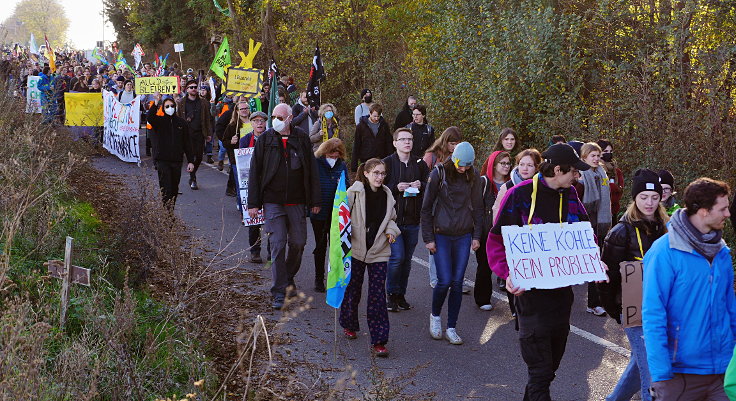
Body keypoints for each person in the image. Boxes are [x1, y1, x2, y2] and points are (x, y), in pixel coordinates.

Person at [487, 143, 593, 401]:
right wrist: (507, 274)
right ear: (558, 170)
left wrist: (592, 258)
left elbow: (586, 235)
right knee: (540, 368)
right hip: (530, 295)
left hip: (561, 294)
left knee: (549, 368)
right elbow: (496, 241)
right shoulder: (520, 195)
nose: (577, 176)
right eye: (573, 172)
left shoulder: (571, 195)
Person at [643, 178, 736, 401]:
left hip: (724, 372)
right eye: (722, 209)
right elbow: (653, 314)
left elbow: (730, 309)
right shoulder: (664, 252)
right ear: (703, 211)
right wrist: (661, 373)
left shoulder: (722, 252)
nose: (728, 214)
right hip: (679, 375)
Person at [598, 169, 667, 401]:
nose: (649, 202)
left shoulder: (667, 228)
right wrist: (616, 313)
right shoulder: (620, 232)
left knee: (641, 364)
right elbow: (606, 279)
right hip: (635, 314)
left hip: (663, 310)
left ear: (661, 198)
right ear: (635, 198)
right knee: (653, 374)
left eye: (654, 197)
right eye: (644, 197)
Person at [247, 103, 321, 310]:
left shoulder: (301, 138)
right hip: (273, 202)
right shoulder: (265, 140)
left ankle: (287, 276)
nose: (275, 120)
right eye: (273, 117)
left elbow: (312, 171)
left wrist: (315, 200)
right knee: (278, 244)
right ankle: (279, 291)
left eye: (280, 117)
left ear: (290, 118)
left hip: (296, 202)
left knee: (298, 243)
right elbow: (255, 172)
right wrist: (253, 203)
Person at [422, 142, 483, 345]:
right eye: (460, 165)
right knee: (445, 280)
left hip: (463, 235)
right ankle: (436, 317)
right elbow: (426, 207)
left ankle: (452, 327)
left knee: (458, 282)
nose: (463, 169)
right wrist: (428, 238)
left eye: (467, 165)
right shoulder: (439, 173)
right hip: (441, 233)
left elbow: (478, 208)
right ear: (453, 159)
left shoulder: (473, 175)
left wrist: (476, 236)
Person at [340, 158, 399, 358]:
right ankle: (349, 323)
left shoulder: (388, 195)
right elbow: (340, 217)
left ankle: (379, 340)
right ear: (366, 173)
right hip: (356, 249)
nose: (380, 177)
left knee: (377, 296)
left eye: (383, 173)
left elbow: (392, 219)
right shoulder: (353, 193)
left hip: (379, 250)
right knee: (353, 289)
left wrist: (391, 231)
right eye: (376, 173)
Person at [490, 148, 543, 316]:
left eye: (530, 165)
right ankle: (515, 309)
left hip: (534, 241)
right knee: (514, 275)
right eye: (522, 164)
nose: (525, 168)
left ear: (537, 168)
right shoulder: (508, 187)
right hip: (513, 240)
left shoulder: (541, 188)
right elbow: (497, 213)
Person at [383, 128, 429, 312]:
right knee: (397, 257)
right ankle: (391, 295)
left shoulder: (419, 163)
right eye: (402, 139)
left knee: (407, 260)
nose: (407, 142)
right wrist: (396, 187)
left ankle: (401, 295)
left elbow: (431, 184)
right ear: (395, 143)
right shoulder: (387, 163)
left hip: (412, 219)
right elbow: (378, 186)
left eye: (409, 139)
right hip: (393, 220)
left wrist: (421, 184)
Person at [422, 126, 462, 289]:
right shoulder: (431, 156)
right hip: (435, 204)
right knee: (435, 242)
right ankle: (435, 277)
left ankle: (454, 277)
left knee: (454, 242)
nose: (454, 147)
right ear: (445, 142)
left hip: (454, 205)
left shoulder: (459, 156)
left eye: (457, 144)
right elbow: (424, 178)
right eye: (452, 143)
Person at [576, 142, 611, 317]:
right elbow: (578, 204)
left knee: (596, 262)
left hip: (600, 225)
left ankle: (595, 302)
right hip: (584, 226)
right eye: (593, 156)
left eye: (598, 155)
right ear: (584, 158)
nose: (596, 159)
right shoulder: (580, 177)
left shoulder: (602, 174)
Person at [473, 150, 511, 311]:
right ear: (494, 165)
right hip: (486, 233)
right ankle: (482, 298)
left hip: (507, 233)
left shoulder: (512, 183)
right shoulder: (484, 182)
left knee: (510, 267)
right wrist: (475, 235)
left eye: (508, 163)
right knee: (485, 266)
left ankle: (515, 304)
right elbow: (477, 210)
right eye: (503, 163)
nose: (506, 166)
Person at [311, 138, 349, 292]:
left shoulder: (342, 165)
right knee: (320, 246)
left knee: (336, 247)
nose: (334, 158)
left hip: (337, 212)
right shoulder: (316, 164)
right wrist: (313, 204)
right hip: (319, 211)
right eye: (331, 154)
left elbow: (347, 184)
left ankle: (335, 277)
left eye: (336, 155)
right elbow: (312, 185)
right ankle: (318, 279)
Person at [146, 94, 195, 208]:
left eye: (172, 106)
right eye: (167, 106)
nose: (170, 108)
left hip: (177, 161)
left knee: (174, 188)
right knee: (165, 188)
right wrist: (156, 102)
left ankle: (170, 208)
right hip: (163, 160)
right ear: (163, 108)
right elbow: (150, 118)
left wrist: (190, 161)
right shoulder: (159, 121)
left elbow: (187, 143)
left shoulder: (182, 123)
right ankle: (167, 213)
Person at [238, 111, 269, 264]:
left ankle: (272, 252)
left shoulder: (271, 138)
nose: (259, 123)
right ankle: (255, 251)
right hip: (251, 182)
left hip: (269, 182)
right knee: (254, 219)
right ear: (251, 123)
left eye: (262, 120)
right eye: (256, 121)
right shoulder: (245, 140)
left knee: (271, 219)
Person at [177, 79, 213, 190]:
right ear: (187, 90)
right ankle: (193, 178)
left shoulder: (203, 102)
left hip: (199, 133)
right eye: (191, 87)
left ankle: (192, 174)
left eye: (195, 87)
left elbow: (208, 119)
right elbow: (178, 118)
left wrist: (208, 133)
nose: (193, 89)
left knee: (199, 157)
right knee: (190, 156)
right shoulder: (181, 102)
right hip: (187, 134)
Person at [222, 101, 252, 209]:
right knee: (241, 187)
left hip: (254, 160)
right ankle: (243, 208)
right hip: (239, 161)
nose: (244, 110)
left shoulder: (255, 123)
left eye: (246, 108)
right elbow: (224, 141)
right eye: (241, 109)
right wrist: (231, 142)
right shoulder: (233, 126)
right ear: (237, 111)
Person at [351, 103, 393, 172]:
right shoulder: (361, 126)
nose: (376, 118)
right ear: (370, 113)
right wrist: (354, 165)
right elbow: (357, 144)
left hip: (381, 157)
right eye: (374, 116)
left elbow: (388, 142)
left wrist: (391, 158)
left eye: (378, 116)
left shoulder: (384, 125)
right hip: (366, 158)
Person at [597, 139, 624, 219]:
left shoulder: (616, 170)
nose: (608, 154)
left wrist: (614, 188)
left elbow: (621, 188)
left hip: (614, 210)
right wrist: (612, 187)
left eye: (610, 151)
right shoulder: (596, 169)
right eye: (605, 151)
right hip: (599, 211)